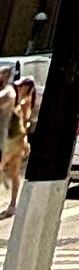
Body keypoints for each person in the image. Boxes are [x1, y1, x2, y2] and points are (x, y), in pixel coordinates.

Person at [1, 77, 34, 215]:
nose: (21, 88)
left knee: (8, 169)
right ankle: (13, 205)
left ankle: (13, 204)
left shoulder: (22, 101)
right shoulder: (22, 100)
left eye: (24, 86)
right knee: (14, 173)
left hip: (14, 140)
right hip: (19, 140)